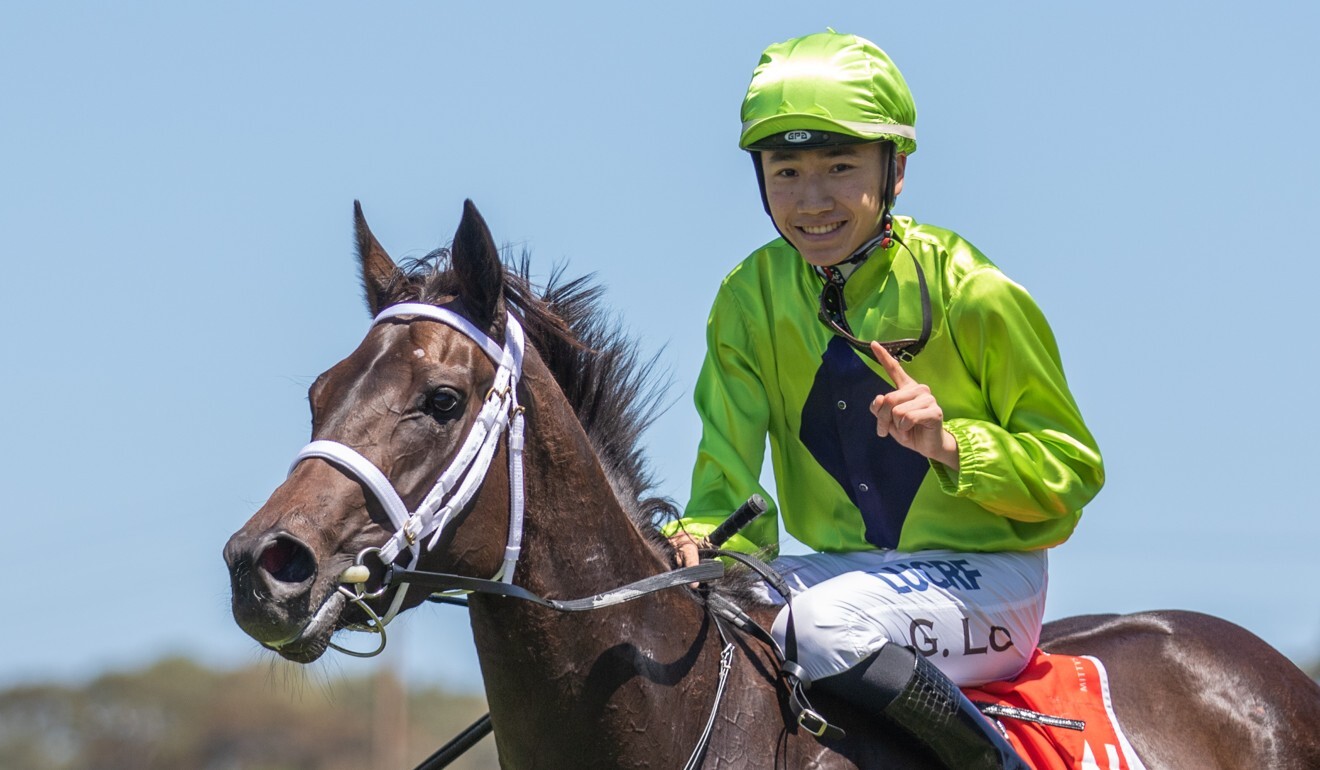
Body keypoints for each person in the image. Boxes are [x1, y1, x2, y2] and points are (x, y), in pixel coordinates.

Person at [666, 30, 1104, 770]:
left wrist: (953, 444)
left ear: (894, 171)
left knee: (818, 629)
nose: (812, 201)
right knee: (697, 616)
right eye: (787, 171)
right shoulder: (747, 299)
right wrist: (700, 543)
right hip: (844, 576)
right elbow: (726, 491)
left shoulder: (973, 291)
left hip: (990, 581)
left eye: (840, 167)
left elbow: (1072, 478)